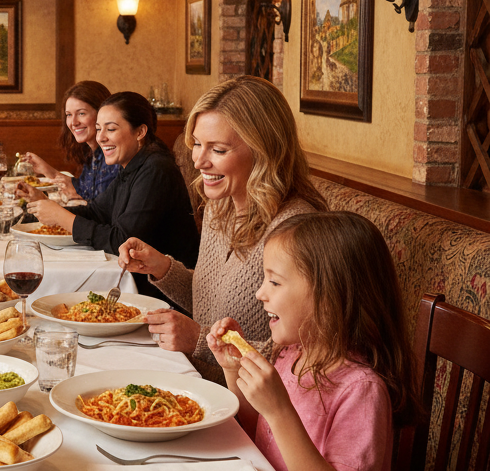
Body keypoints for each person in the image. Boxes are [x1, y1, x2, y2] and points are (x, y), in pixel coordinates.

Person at [206, 211, 419, 471]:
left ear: (330, 295)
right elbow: (256, 439)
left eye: (275, 281)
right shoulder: (294, 354)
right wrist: (234, 372)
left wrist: (280, 410)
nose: (260, 294)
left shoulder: (361, 389)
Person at [118, 75, 327, 380]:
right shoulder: (220, 205)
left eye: (218, 149)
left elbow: (299, 359)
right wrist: (162, 267)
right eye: (198, 144)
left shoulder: (297, 229)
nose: (199, 161)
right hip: (195, 378)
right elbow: (213, 302)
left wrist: (199, 340)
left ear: (264, 151)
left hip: (247, 407)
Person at [29, 91, 199, 301]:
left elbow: (122, 240)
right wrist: (30, 215)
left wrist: (61, 217)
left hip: (164, 295)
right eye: (99, 129)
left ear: (140, 132)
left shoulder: (156, 169)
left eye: (111, 129)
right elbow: (96, 211)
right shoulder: (132, 164)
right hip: (135, 282)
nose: (100, 137)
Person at [22, 80, 120, 203]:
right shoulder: (93, 153)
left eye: (81, 113)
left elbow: (99, 207)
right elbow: (84, 188)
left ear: (103, 113)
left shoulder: (112, 157)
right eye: (69, 115)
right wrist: (48, 171)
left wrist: (46, 201)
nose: (73, 123)